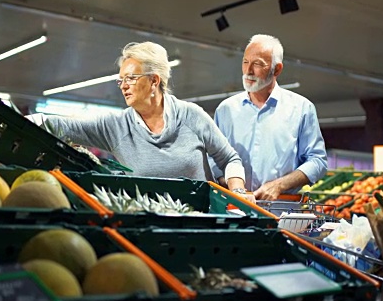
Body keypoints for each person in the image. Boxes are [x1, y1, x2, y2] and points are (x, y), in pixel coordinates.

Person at [34, 41, 253, 198]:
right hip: (148, 222)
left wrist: (239, 191)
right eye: (121, 81)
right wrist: (14, 117)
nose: (124, 86)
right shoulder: (115, 126)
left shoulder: (191, 115)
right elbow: (63, 126)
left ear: (154, 81)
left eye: (130, 78)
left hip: (200, 220)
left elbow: (230, 159)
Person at [211, 34, 328, 201]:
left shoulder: (301, 108)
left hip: (281, 209)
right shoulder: (226, 110)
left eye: (257, 64)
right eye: (245, 62)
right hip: (234, 207)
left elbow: (318, 162)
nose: (248, 71)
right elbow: (213, 161)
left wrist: (279, 185)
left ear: (277, 69)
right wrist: (234, 187)